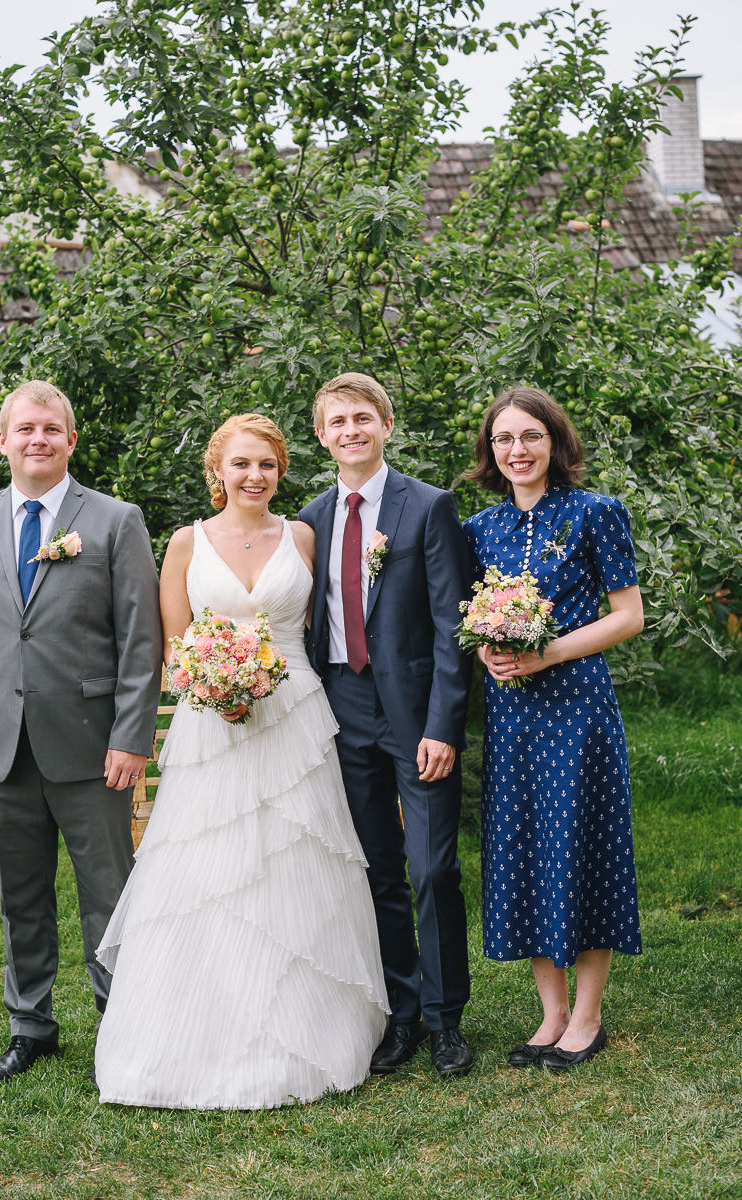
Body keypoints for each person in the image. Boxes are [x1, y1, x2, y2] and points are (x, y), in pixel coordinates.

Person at [94, 413, 388, 1109]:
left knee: (298, 859)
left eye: (267, 465)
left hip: (296, 719)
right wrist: (216, 683)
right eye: (242, 464)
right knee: (210, 869)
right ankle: (201, 1033)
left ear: (281, 471)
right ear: (217, 472)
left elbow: (322, 628)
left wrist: (264, 675)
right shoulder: (186, 543)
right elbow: (174, 647)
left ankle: (311, 1024)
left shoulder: (304, 536)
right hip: (212, 722)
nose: (255, 476)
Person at [0, 380, 162, 1081]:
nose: (39, 439)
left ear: (71, 440)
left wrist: (131, 737)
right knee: (20, 897)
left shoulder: (115, 520)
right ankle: (30, 1027)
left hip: (92, 744)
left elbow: (140, 642)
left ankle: (123, 1023)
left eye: (51, 429)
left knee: (109, 897)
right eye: (26, 429)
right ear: (3, 440)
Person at [298, 373, 476, 1081]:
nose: (352, 431)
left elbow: (452, 627)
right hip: (341, 707)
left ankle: (446, 1019)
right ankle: (402, 1015)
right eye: (338, 421)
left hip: (416, 714)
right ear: (322, 436)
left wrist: (443, 725)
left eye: (363, 418)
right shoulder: (310, 520)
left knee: (432, 868)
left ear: (386, 425)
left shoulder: (427, 507)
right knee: (376, 869)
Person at [461, 386, 644, 1072]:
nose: (518, 450)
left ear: (554, 442)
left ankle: (588, 1017)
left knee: (584, 844)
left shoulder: (597, 513)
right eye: (504, 439)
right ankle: (553, 1013)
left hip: (578, 707)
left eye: (530, 436)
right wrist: (486, 649)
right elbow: (471, 617)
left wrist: (551, 651)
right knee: (527, 847)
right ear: (491, 451)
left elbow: (628, 615)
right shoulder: (479, 530)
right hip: (512, 713)